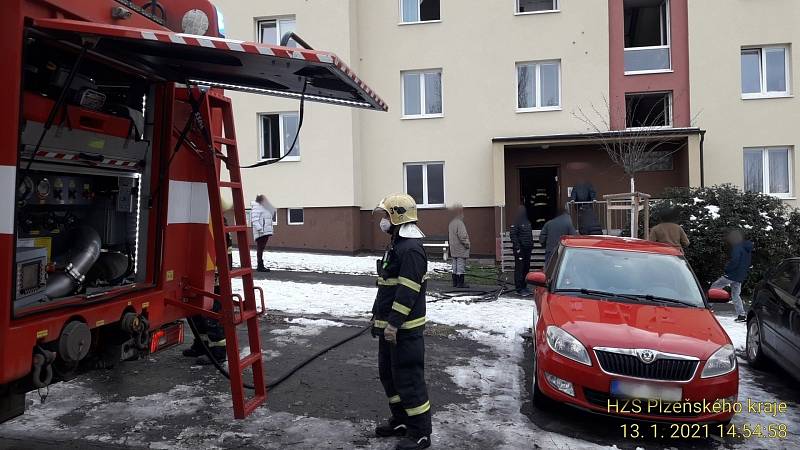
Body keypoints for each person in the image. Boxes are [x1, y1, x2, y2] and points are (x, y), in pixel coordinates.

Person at [372, 194, 432, 450]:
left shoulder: (410, 250)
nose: (383, 220)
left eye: (386, 215)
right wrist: (379, 318)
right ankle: (401, 420)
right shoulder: (397, 245)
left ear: (397, 217)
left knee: (409, 380)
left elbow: (407, 292)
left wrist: (394, 324)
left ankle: (420, 433)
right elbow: (388, 287)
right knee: (390, 375)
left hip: (403, 331)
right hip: (390, 328)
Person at [711, 229, 753, 322]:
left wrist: (727, 269)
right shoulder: (747, 248)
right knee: (735, 295)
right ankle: (741, 315)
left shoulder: (738, 247)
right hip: (740, 275)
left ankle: (707, 308)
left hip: (732, 274)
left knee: (714, 288)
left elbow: (735, 261)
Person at [510, 205, 535, 296]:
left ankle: (524, 286)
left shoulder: (527, 222)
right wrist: (517, 247)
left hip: (528, 249)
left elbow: (530, 235)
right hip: (520, 250)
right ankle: (519, 288)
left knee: (526, 268)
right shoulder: (516, 222)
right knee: (519, 269)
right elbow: (513, 235)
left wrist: (531, 244)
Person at [447, 203, 470, 288]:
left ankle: (455, 282)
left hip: (453, 247)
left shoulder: (451, 223)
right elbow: (462, 236)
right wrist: (467, 244)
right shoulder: (459, 223)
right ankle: (460, 283)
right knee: (460, 265)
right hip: (460, 248)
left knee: (455, 265)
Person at [250, 195, 274, 272]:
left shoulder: (264, 207)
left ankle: (260, 265)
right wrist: (260, 229)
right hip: (261, 232)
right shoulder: (257, 207)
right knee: (260, 248)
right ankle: (260, 265)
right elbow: (254, 220)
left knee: (261, 248)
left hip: (265, 232)